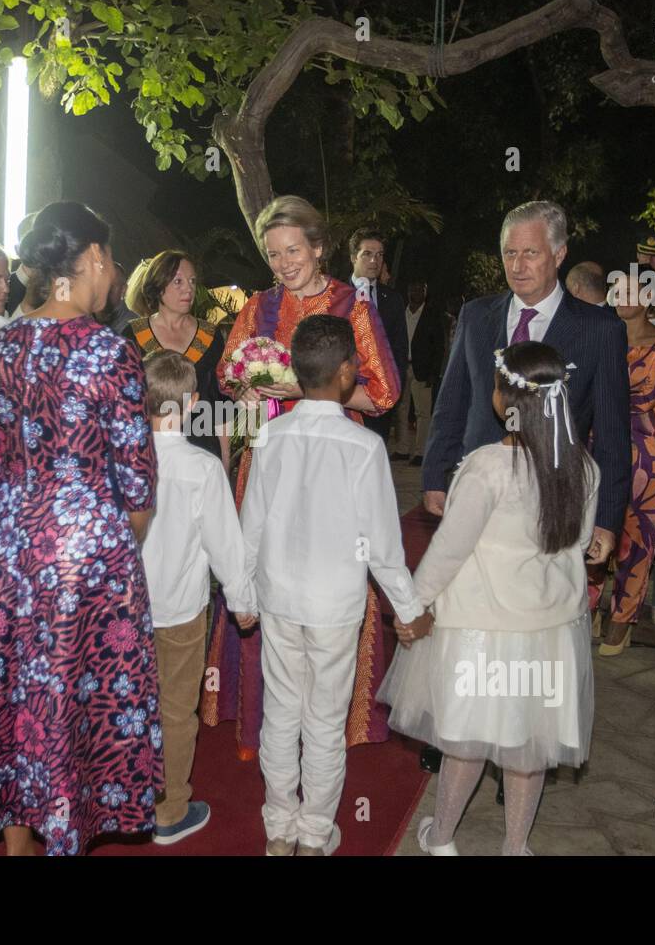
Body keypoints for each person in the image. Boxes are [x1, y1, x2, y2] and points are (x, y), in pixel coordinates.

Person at [0, 201, 162, 856]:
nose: (113, 276)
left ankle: (21, 848)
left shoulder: (2, 344)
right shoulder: (109, 351)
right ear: (94, 259)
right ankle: (65, 834)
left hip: (8, 548)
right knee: (74, 707)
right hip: (84, 553)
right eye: (111, 261)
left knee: (19, 702)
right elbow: (136, 478)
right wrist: (113, 543)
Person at [417, 200, 629, 773]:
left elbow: (612, 431)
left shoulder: (598, 329)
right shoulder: (477, 314)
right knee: (467, 616)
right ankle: (460, 732)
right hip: (477, 492)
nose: (517, 264)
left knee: (528, 630)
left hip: (547, 507)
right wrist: (437, 474)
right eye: (509, 253)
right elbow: (452, 398)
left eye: (530, 252)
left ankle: (519, 752)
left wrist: (608, 519)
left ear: (559, 255)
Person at [201, 194, 401, 761]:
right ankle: (260, 723)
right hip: (266, 458)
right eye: (273, 253)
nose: (285, 263)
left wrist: (304, 390)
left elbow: (383, 393)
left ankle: (334, 717)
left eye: (294, 250)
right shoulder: (258, 306)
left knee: (327, 582)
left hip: (333, 464)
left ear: (317, 247)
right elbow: (226, 377)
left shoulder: (349, 305)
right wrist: (246, 386)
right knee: (264, 577)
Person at [383, 341, 599, 856]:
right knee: (529, 750)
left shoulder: (486, 467)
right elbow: (581, 545)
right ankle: (515, 845)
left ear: (505, 400)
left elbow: (449, 550)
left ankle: (442, 838)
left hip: (483, 628)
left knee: (466, 743)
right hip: (550, 630)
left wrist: (413, 605)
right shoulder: (583, 468)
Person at [244, 315, 425, 855]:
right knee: (324, 720)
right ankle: (314, 832)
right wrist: (407, 607)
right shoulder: (361, 446)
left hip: (278, 598)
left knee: (280, 709)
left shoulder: (270, 435)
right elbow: (382, 542)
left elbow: (250, 523)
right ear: (347, 373)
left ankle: (278, 825)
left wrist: (241, 593)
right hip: (335, 605)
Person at [140, 350, 256, 845]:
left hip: (123, 610)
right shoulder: (202, 468)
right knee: (176, 709)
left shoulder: (116, 458)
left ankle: (121, 797)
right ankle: (169, 810)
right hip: (181, 610)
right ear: (190, 406)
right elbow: (224, 543)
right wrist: (243, 598)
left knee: (128, 702)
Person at [593, 271, 655, 655]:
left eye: (633, 290)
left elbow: (644, 396)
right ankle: (587, 607)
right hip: (595, 448)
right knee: (590, 531)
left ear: (649, 297)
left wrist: (594, 394)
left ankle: (622, 618)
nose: (623, 295)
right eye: (618, 289)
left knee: (635, 541)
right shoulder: (600, 334)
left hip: (644, 454)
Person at [124, 251, 230, 468]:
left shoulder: (211, 336)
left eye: (192, 281)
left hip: (203, 451)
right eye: (178, 281)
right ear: (158, 285)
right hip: (150, 454)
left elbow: (221, 404)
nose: (188, 288)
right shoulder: (133, 336)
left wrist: (225, 462)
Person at [349, 228, 407, 442]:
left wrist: (393, 390)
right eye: (367, 254)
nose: (374, 260)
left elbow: (399, 349)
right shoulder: (336, 296)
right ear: (354, 257)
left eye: (380, 255)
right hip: (342, 399)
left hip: (380, 399)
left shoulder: (392, 300)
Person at [394, 280, 441, 465]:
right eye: (413, 288)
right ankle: (402, 449)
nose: (416, 292)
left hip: (422, 369)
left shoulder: (431, 315)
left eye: (420, 289)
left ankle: (421, 453)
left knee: (423, 413)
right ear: (408, 291)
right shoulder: (401, 313)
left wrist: (434, 373)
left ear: (425, 292)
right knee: (400, 410)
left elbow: (439, 347)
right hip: (401, 366)